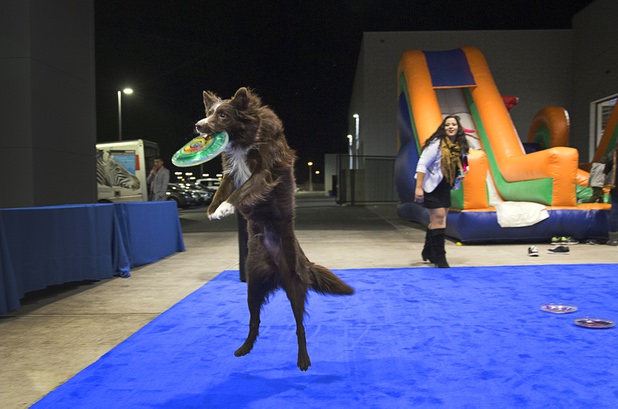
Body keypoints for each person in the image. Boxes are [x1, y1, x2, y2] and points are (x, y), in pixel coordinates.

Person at [414, 115, 470, 267]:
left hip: (446, 185)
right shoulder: (436, 144)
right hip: (430, 186)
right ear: (443, 128)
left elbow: (464, 162)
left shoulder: (461, 145)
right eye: (447, 125)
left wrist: (463, 171)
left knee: (437, 220)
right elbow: (422, 163)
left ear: (458, 128)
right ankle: (440, 257)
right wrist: (418, 187)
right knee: (439, 217)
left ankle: (428, 250)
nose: (450, 127)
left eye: (453, 124)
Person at [603, 148, 618, 246]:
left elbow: (606, 169)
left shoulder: (613, 153)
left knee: (615, 210)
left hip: (616, 185)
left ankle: (613, 239)